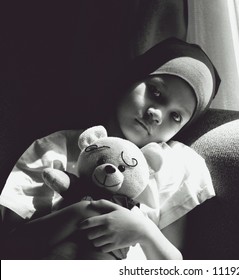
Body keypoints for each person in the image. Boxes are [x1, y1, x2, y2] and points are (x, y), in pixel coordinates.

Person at [0, 37, 220, 260]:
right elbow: (11, 246)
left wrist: (145, 231)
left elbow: (174, 267)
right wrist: (83, 212)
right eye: (155, 92)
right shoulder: (56, 150)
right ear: (132, 79)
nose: (156, 114)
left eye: (175, 116)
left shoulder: (172, 167)